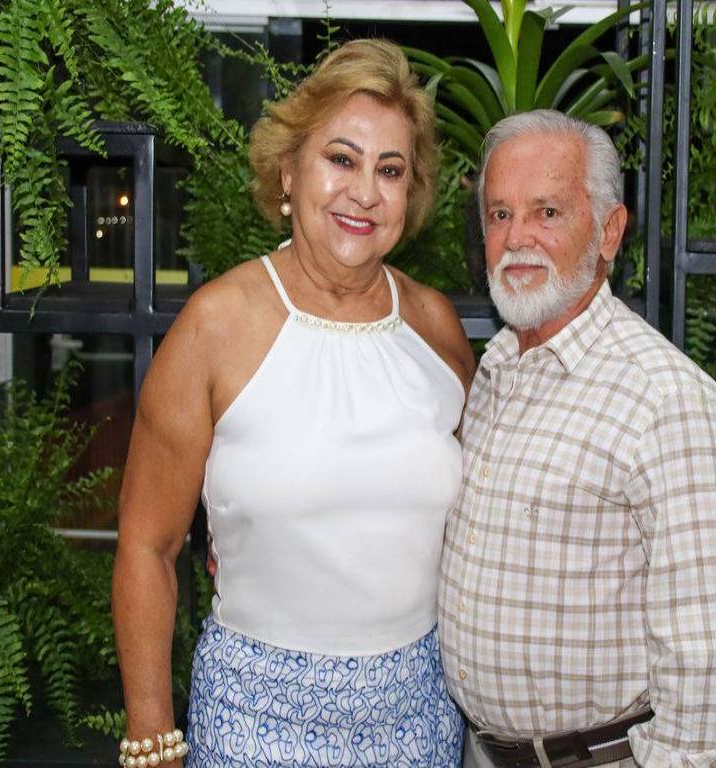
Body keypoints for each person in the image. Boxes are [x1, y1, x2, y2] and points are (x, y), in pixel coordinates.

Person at [113, 39, 475, 768]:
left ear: (411, 193)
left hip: (421, 722)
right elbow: (148, 546)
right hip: (254, 720)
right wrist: (152, 737)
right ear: (288, 170)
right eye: (341, 159)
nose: (364, 193)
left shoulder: (434, 325)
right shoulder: (215, 326)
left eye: (390, 170)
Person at [439, 110, 716, 768]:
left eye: (547, 212)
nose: (516, 238)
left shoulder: (666, 397)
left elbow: (704, 658)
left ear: (609, 231)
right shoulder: (493, 373)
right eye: (499, 214)